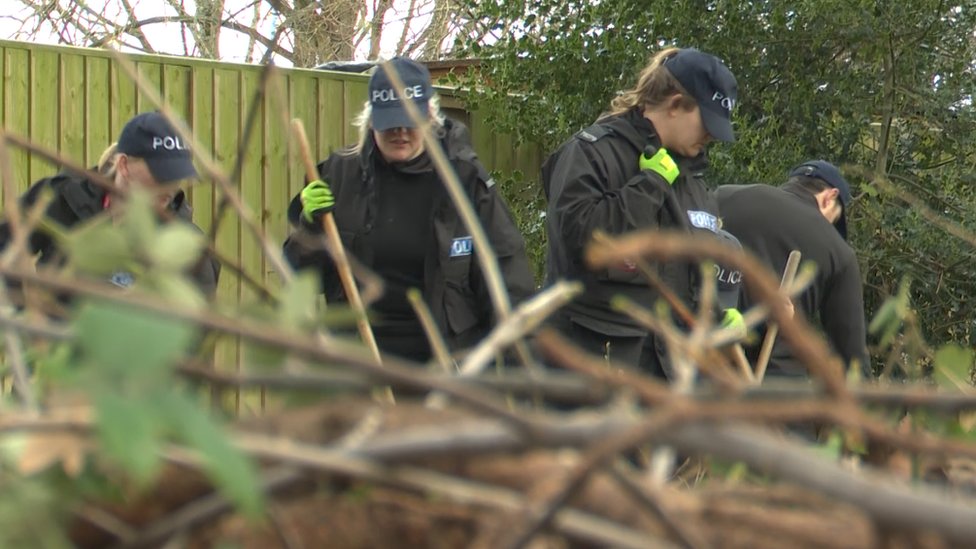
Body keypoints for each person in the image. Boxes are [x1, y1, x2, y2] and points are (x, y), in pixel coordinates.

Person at [282, 56, 534, 365]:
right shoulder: (339, 176)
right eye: (390, 122)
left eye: (409, 121)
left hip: (444, 367)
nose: (400, 132)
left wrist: (520, 365)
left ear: (429, 115)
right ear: (372, 119)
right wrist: (310, 227)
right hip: (359, 366)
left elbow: (506, 276)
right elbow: (298, 277)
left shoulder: (465, 181)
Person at [541, 47, 740, 370]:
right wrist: (650, 186)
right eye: (707, 123)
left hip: (669, 379)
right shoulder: (592, 154)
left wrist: (718, 310)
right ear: (676, 105)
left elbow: (688, 274)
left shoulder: (693, 181)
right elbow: (581, 239)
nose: (712, 137)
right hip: (594, 372)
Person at [0, 111, 221, 305]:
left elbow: (195, 337)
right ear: (124, 165)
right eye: (161, 173)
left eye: (178, 175)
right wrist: (26, 312)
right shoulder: (63, 198)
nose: (171, 186)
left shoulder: (190, 248)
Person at [714, 160, 871, 380]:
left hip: (708, 366)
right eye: (835, 220)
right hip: (779, 388)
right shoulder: (839, 252)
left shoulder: (725, 197)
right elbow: (851, 358)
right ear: (830, 197)